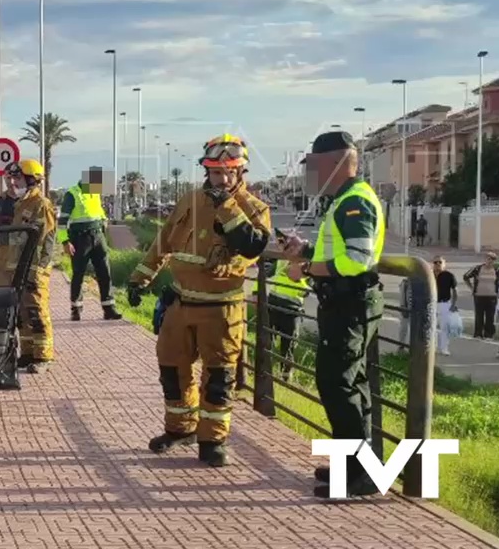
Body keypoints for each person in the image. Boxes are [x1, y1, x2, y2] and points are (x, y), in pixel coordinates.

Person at [127, 134, 271, 467]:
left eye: (228, 173)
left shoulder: (254, 209)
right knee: (172, 370)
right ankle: (180, 429)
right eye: (215, 173)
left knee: (218, 380)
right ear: (206, 171)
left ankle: (212, 440)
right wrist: (139, 278)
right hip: (181, 304)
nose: (221, 179)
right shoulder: (190, 201)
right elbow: (163, 243)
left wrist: (227, 204)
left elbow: (251, 246)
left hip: (222, 311)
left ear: (241, 173)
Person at [278, 130, 385, 499]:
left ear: (334, 163)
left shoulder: (355, 201)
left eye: (314, 165)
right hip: (344, 304)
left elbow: (357, 259)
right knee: (349, 386)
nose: (311, 174)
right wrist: (304, 249)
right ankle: (353, 466)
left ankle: (362, 474)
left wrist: (304, 271)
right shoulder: (343, 200)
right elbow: (338, 250)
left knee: (337, 385)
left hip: (350, 305)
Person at [4, 159, 59, 371]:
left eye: (16, 178)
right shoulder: (21, 205)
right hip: (19, 268)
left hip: (35, 269)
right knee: (22, 314)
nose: (12, 183)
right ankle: (27, 353)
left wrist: (34, 272)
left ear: (30, 179)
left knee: (36, 311)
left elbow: (40, 241)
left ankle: (43, 357)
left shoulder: (41, 206)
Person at [60, 167, 121, 321]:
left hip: (98, 237)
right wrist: (65, 242)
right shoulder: (72, 194)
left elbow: (98, 211)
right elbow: (61, 222)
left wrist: (104, 221)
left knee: (104, 273)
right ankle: (76, 308)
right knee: (79, 274)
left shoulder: (94, 194)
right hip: (80, 239)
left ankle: (109, 308)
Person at [256, 258, 310, 381]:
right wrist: (255, 293)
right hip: (273, 307)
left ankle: (285, 377)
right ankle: (263, 372)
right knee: (267, 340)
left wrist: (298, 279)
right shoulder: (281, 263)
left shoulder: (307, 266)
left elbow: (308, 291)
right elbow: (263, 275)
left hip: (291, 312)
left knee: (288, 344)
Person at [463, 253, 499, 340]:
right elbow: (466, 276)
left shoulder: (497, 270)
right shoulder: (477, 268)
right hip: (479, 296)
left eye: (492, 259)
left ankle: (488, 335)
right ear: (485, 259)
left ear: (494, 261)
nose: (490, 261)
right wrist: (471, 288)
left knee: (490, 316)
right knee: (479, 315)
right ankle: (478, 334)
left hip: (492, 296)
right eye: (488, 259)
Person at [433, 257, 460, 357]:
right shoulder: (430, 275)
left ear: (444, 264)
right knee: (432, 327)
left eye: (440, 262)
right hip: (432, 303)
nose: (438, 264)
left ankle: (444, 348)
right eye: (435, 262)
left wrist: (453, 304)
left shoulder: (449, 275)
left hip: (445, 303)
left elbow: (455, 290)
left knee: (444, 327)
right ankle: (433, 347)